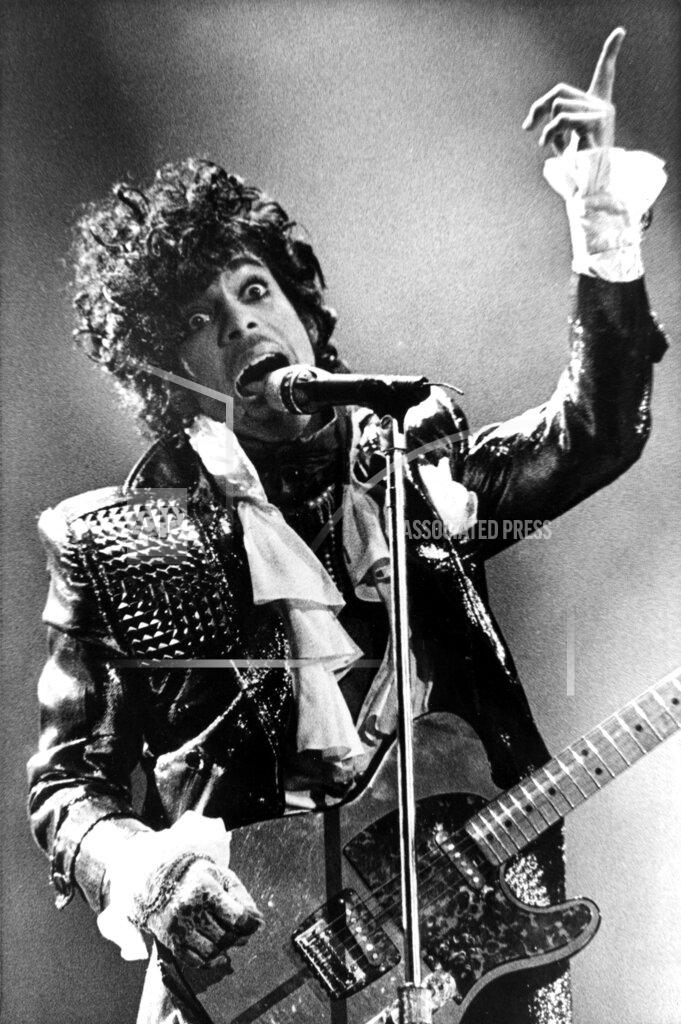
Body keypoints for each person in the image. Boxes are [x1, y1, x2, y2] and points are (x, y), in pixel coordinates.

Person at [27, 28, 668, 1024]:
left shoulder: (410, 477)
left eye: (255, 290)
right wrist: (148, 872)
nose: (243, 324)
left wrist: (601, 221)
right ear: (170, 371)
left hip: (469, 958)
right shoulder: (117, 544)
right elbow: (67, 790)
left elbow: (592, 432)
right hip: (255, 983)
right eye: (200, 317)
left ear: (304, 316)